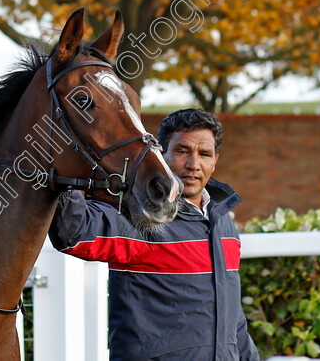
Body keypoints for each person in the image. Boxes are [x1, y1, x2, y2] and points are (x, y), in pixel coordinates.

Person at [49, 108, 259, 360]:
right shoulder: (143, 216)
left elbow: (232, 317)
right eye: (182, 151)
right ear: (161, 154)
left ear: (215, 160)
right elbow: (75, 233)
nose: (193, 164)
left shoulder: (223, 221)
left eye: (204, 154)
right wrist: (60, 160)